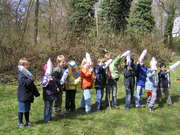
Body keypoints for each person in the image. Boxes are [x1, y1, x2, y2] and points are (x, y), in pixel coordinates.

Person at [17, 58, 40, 128]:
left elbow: (31, 85)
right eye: (27, 65)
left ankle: (27, 121)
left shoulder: (28, 74)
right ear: (22, 66)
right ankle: (20, 122)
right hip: (23, 96)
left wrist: (36, 93)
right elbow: (24, 84)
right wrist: (31, 79)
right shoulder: (21, 75)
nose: (28, 66)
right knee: (21, 110)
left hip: (28, 96)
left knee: (27, 110)